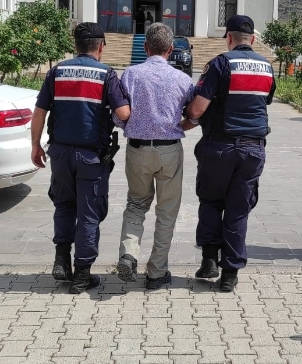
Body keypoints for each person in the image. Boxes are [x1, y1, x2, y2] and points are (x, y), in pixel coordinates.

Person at [30, 22, 130, 294]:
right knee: (88, 213)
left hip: (60, 153)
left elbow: (39, 112)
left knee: (63, 206)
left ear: (76, 46)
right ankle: (82, 276)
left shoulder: (57, 72)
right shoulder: (106, 75)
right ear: (100, 46)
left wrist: (35, 146)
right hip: (91, 157)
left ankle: (61, 261)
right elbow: (123, 114)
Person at [185, 14, 276, 292]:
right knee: (238, 211)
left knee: (211, 202)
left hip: (219, 147)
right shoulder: (267, 67)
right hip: (253, 150)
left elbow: (198, 110)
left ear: (228, 38)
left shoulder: (220, 64)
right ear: (254, 40)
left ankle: (210, 260)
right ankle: (230, 274)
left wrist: (185, 116)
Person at [114, 23, 195, 290]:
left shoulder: (130, 75)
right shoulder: (182, 79)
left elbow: (119, 113)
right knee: (167, 212)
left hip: (137, 150)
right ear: (170, 50)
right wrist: (178, 127)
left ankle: (129, 254)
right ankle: (157, 272)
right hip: (170, 150)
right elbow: (196, 115)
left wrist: (130, 127)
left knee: (136, 203)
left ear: (146, 47)